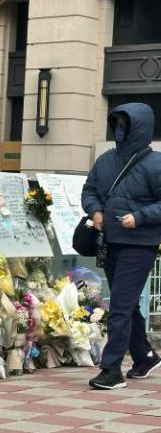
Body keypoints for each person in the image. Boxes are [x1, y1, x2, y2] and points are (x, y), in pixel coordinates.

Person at [82, 102, 161, 390]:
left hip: (139, 244)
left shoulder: (156, 164)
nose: (119, 129)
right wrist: (95, 211)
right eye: (116, 123)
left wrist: (139, 217)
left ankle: (111, 369)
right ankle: (144, 356)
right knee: (125, 304)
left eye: (125, 124)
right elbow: (89, 190)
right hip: (110, 242)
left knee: (119, 306)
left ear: (139, 127)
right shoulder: (106, 160)